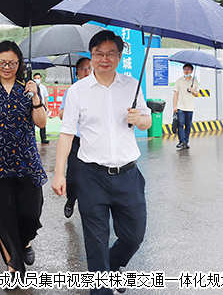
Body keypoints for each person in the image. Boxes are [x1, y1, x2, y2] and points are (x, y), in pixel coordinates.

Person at [51, 30, 151, 295]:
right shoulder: (77, 91)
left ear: (119, 56)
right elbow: (66, 133)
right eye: (98, 53)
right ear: (91, 55)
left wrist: (137, 119)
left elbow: (147, 121)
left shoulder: (132, 85)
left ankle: (113, 264)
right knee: (95, 242)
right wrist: (59, 173)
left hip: (128, 174)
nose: (104, 59)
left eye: (110, 54)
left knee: (134, 235)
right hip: (91, 176)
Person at [0, 41, 47, 277]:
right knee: (3, 219)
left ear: (20, 63)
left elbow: (41, 122)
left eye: (12, 63)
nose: (6, 67)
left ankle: (26, 241)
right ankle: (13, 266)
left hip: (27, 161)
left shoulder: (27, 88)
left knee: (31, 214)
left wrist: (35, 96)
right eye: (1, 63)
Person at [57, 56, 93, 219]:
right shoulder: (72, 91)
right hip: (76, 141)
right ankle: (71, 200)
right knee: (72, 177)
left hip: (93, 141)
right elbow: (61, 114)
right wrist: (74, 110)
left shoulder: (99, 90)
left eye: (89, 68)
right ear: (77, 73)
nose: (86, 72)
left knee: (93, 178)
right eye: (83, 69)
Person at [173, 63, 199, 150]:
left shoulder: (195, 82)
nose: (186, 71)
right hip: (180, 107)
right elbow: (176, 94)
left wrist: (192, 91)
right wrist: (174, 106)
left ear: (191, 71)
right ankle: (182, 141)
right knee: (180, 124)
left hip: (190, 107)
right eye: (184, 69)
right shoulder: (179, 81)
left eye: (188, 69)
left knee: (188, 125)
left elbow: (197, 94)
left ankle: (186, 141)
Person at [33, 72, 50, 144]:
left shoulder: (43, 88)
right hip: (34, 105)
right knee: (32, 123)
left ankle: (43, 138)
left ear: (41, 79)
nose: (37, 79)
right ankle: (33, 139)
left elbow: (46, 98)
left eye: (38, 78)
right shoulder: (31, 86)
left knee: (43, 123)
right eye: (35, 78)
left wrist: (47, 107)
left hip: (42, 105)